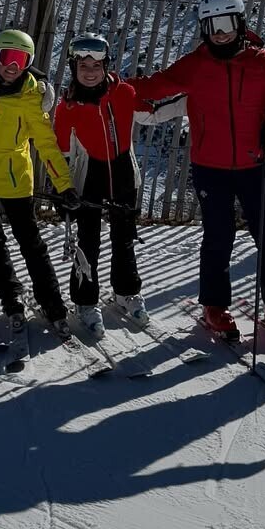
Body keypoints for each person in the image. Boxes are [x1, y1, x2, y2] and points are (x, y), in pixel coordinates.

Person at [134, 0, 265, 338]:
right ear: (204, 29)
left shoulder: (260, 61)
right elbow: (156, 84)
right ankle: (214, 305)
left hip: (253, 165)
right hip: (210, 167)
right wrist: (112, 87)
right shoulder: (195, 65)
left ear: (240, 23)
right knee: (218, 237)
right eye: (212, 25)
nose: (220, 32)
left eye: (226, 23)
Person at [0, 29, 79, 337]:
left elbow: (46, 143)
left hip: (14, 181)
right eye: (8, 56)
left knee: (31, 244)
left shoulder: (31, 96)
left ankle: (53, 304)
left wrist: (64, 185)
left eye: (22, 59)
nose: (13, 65)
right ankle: (11, 301)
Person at [53, 33, 179, 332]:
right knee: (88, 241)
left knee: (124, 238)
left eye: (96, 65)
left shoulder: (123, 92)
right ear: (73, 67)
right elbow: (59, 152)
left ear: (106, 65)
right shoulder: (67, 107)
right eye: (83, 65)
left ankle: (126, 292)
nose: (90, 71)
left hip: (123, 172)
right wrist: (63, 188)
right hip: (88, 177)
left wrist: (189, 102)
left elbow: (151, 115)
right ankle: (86, 300)